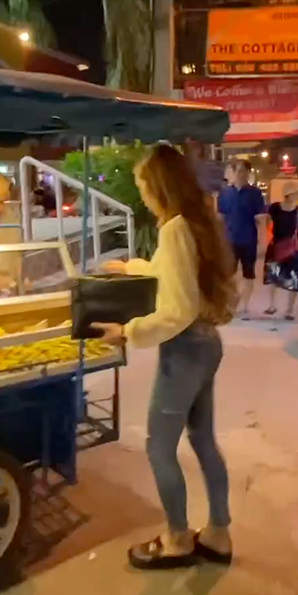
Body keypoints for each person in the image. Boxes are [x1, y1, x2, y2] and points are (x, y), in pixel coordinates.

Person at [91, 144, 238, 570]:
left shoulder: (174, 229)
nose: (142, 195)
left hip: (186, 348)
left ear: (159, 186)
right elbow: (174, 277)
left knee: (159, 448)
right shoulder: (197, 223)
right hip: (208, 344)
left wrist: (128, 331)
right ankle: (218, 534)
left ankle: (177, 538)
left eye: (142, 186)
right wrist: (132, 268)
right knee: (203, 441)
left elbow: (177, 309)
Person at [217, 160, 268, 317]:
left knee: (248, 274)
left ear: (248, 173)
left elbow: (261, 219)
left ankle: (245, 306)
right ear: (233, 172)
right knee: (228, 275)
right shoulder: (225, 193)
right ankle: (231, 304)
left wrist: (263, 241)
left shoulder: (255, 193)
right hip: (229, 239)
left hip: (249, 239)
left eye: (244, 171)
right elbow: (220, 218)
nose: (241, 174)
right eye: (238, 171)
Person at [264, 189, 298, 320]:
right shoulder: (275, 207)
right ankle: (272, 305)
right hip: (276, 245)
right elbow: (268, 223)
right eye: (296, 193)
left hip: (294, 247)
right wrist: (265, 241)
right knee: (273, 275)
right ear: (287, 194)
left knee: (295, 278)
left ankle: (290, 310)